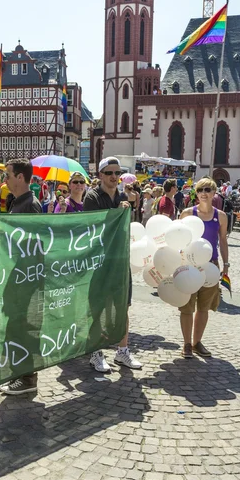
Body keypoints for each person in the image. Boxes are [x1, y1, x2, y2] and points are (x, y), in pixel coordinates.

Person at [83, 157, 142, 372]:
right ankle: (96, 353)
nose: (114, 177)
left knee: (122, 305)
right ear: (100, 175)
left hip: (119, 259)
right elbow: (94, 227)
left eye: (117, 173)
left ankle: (122, 351)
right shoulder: (92, 197)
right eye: (109, 173)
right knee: (97, 306)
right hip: (99, 261)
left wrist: (126, 211)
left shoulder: (122, 196)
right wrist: (117, 211)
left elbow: (126, 229)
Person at [0, 158, 43, 395]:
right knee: (15, 326)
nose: (5, 179)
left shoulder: (31, 204)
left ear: (21, 178)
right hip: (17, 277)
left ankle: (27, 379)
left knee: (24, 327)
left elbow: (34, 245)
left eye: (8, 175)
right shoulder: (17, 202)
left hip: (27, 279)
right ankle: (18, 374)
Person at [178, 178, 229, 358]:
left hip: (211, 266)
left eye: (207, 189)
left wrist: (226, 264)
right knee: (187, 306)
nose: (203, 193)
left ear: (214, 193)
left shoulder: (220, 216)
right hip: (189, 265)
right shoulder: (187, 214)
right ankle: (186, 345)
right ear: (196, 193)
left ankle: (197, 342)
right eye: (200, 190)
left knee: (204, 308)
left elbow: (222, 241)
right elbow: (178, 239)